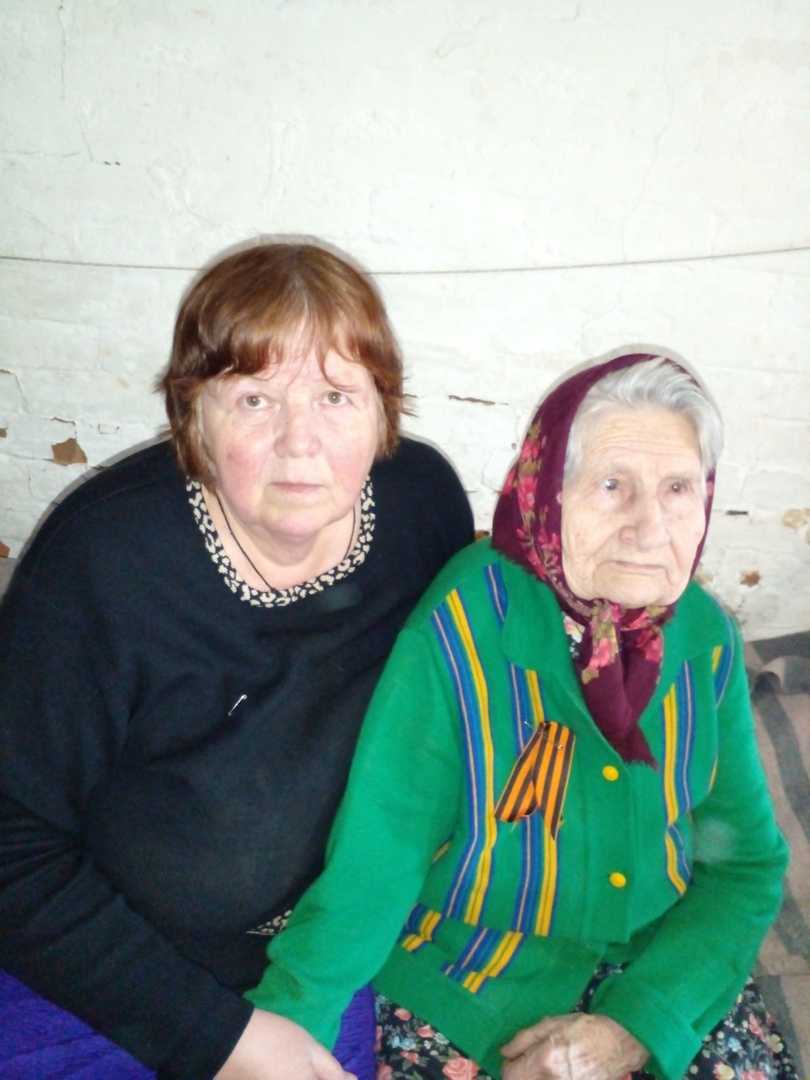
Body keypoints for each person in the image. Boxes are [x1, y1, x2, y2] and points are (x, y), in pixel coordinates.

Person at [245, 352, 795, 1080]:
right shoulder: (462, 626)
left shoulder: (704, 638)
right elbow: (379, 856)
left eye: (677, 489)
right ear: (549, 494)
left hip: (661, 968)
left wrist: (638, 1023)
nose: (649, 528)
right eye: (612, 486)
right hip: (473, 980)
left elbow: (745, 865)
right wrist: (286, 1031)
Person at [0, 240, 474, 1079]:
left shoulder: (422, 507)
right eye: (254, 399)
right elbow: (12, 845)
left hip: (323, 951)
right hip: (107, 965)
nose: (300, 443)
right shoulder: (103, 564)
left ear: (383, 412)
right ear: (193, 418)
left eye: (336, 396)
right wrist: (222, 1038)